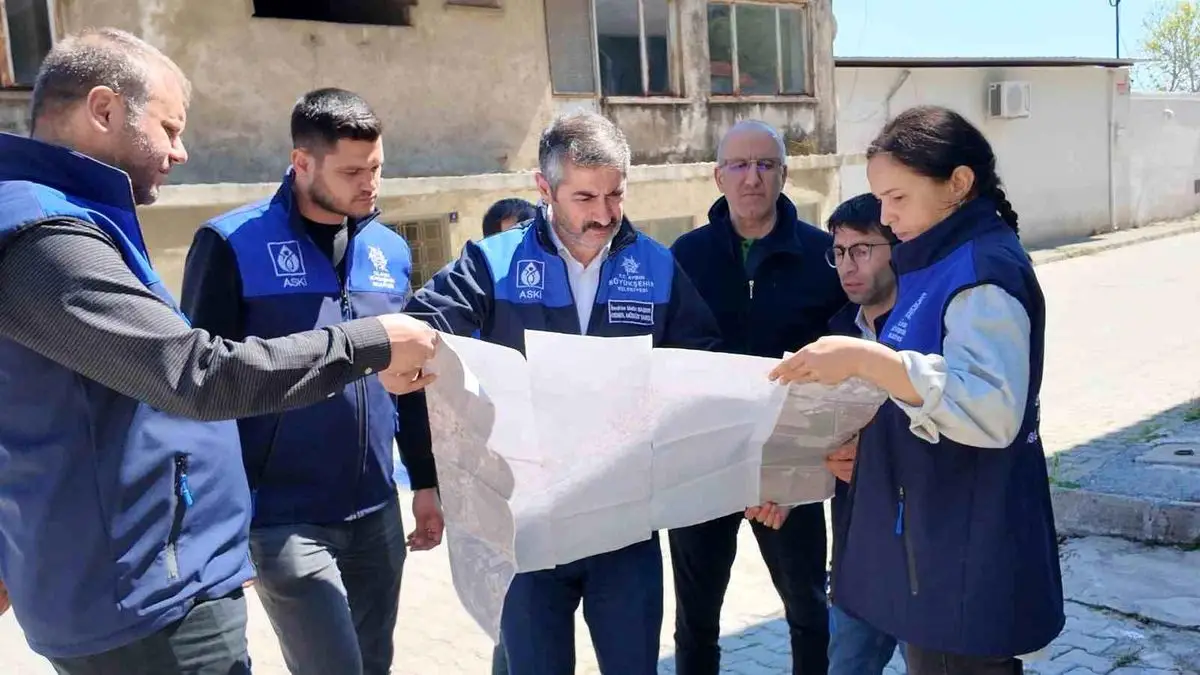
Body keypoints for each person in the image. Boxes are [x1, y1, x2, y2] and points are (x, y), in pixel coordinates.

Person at [0, 28, 437, 675]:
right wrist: (371, 343)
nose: (180, 151)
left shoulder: (68, 221)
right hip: (142, 594)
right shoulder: (45, 235)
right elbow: (197, 373)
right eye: (169, 128)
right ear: (104, 110)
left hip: (154, 573)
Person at [405, 111, 721, 675]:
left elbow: (702, 365)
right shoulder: (493, 262)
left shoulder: (656, 265)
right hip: (526, 526)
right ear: (544, 189)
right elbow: (421, 327)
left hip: (623, 525)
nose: (603, 214)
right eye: (585, 198)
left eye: (615, 194)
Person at [770, 105, 1063, 675]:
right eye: (881, 199)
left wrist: (866, 358)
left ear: (958, 183)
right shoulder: (936, 262)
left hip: (961, 555)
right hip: (931, 546)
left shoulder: (981, 270)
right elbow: (920, 399)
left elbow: (991, 410)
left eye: (898, 197)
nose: (886, 215)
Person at [180, 88, 444, 675]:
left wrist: (425, 480)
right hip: (282, 517)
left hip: (376, 505)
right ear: (302, 162)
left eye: (376, 168)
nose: (369, 184)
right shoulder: (231, 244)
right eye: (351, 172)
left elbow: (409, 377)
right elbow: (198, 389)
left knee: (374, 663)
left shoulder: (389, 250)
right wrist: (218, 523)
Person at [667, 119, 846, 675]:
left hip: (792, 467)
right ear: (718, 176)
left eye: (765, 165)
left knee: (809, 612)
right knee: (696, 621)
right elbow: (668, 360)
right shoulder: (685, 255)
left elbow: (839, 371)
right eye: (739, 165)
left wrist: (793, 468)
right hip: (704, 467)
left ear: (784, 175)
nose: (752, 178)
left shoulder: (823, 257)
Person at [820, 193, 903, 675]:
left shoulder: (926, 326)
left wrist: (872, 451)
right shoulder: (833, 335)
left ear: (896, 248)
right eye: (839, 252)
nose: (848, 266)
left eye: (862, 250)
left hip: (921, 549)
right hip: (855, 548)